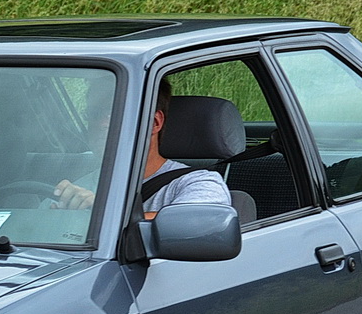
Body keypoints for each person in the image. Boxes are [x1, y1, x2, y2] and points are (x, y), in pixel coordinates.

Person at [53, 79, 231, 214]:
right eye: (93, 114)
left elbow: (192, 224)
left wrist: (100, 215)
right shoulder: (77, 187)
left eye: (112, 113)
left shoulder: (199, 184)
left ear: (154, 123)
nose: (100, 124)